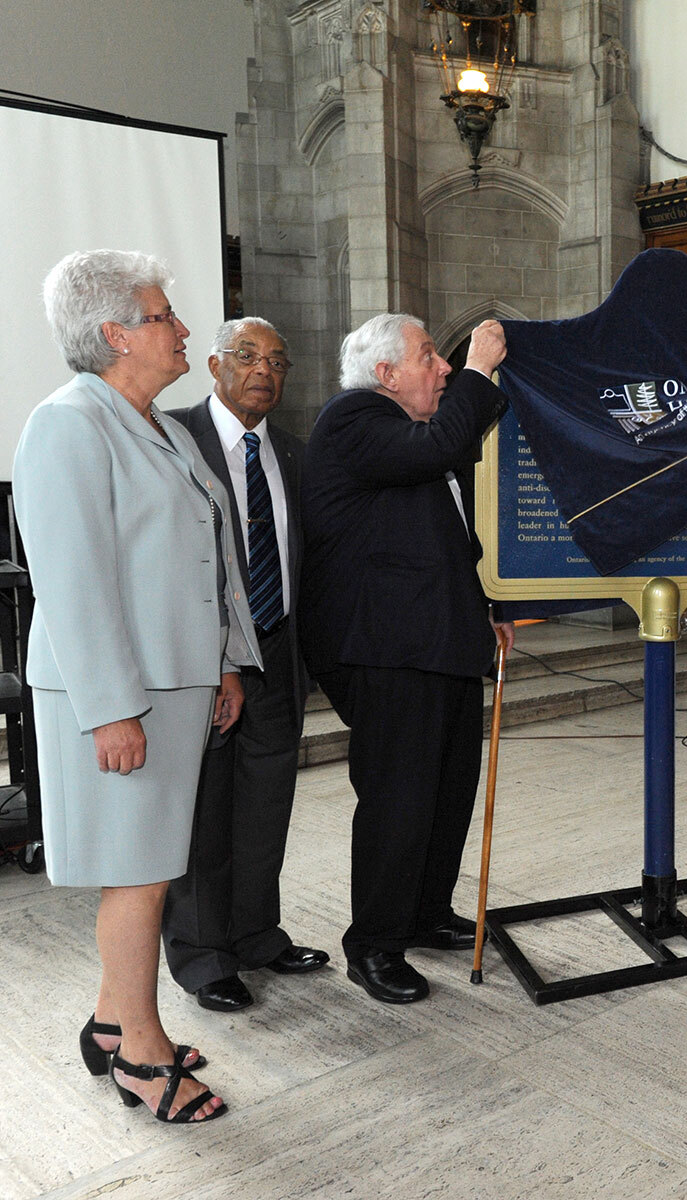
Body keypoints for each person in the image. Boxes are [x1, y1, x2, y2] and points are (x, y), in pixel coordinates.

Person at [15, 249, 261, 1123]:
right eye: (164, 315)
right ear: (115, 332)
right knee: (140, 874)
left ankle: (111, 1023)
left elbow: (205, 553)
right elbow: (73, 580)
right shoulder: (69, 423)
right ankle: (143, 1054)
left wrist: (227, 660)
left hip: (175, 684)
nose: (184, 329)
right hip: (122, 696)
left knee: (150, 867)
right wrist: (112, 708)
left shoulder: (151, 421)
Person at [300, 314, 513, 1004]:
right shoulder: (353, 418)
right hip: (385, 650)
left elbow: (444, 544)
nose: (445, 369)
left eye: (449, 362)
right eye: (431, 357)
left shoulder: (412, 439)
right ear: (386, 374)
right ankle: (376, 944)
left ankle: (424, 913)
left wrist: (482, 613)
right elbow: (445, 443)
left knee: (447, 793)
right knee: (400, 800)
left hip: (439, 643)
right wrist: (481, 366)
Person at [160, 318, 328, 1012]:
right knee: (204, 813)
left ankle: (258, 935)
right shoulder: (170, 438)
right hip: (202, 660)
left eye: (278, 361)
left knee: (266, 808)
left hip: (278, 657)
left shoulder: (291, 451)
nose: (266, 370)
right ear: (213, 364)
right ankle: (204, 958)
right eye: (249, 356)